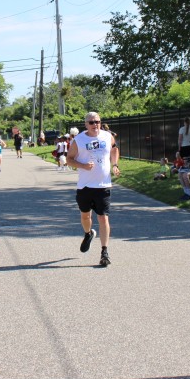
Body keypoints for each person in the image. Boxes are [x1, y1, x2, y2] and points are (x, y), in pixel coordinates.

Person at [66, 111, 121, 267]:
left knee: (103, 217)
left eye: (97, 121)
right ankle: (88, 233)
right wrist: (83, 166)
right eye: (91, 122)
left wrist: (115, 165)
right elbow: (69, 159)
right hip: (85, 186)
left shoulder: (107, 136)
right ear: (86, 124)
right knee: (85, 216)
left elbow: (114, 149)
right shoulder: (79, 140)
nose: (95, 125)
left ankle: (104, 252)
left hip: (103, 185)